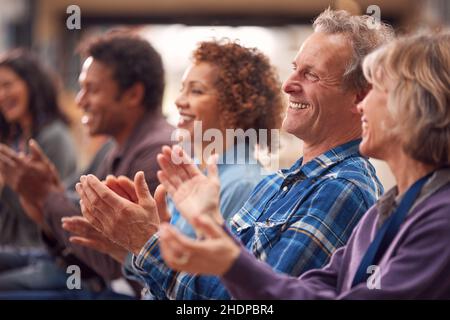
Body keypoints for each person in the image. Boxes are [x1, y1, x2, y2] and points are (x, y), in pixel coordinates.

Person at [76, 9, 390, 300]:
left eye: (311, 75)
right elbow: (213, 280)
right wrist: (141, 243)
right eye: (295, 69)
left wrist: (145, 243)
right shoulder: (277, 182)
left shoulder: (342, 187)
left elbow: (246, 303)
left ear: (359, 97)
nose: (289, 85)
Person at [158, 31, 450, 300]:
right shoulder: (385, 210)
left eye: (377, 90)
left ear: (418, 106)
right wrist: (214, 231)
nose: (363, 104)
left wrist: (149, 246)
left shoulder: (434, 217)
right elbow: (312, 289)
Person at [63, 39, 284, 267]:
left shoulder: (242, 184)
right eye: (182, 89)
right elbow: (169, 272)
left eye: (196, 91)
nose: (179, 101)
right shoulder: (193, 169)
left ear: (237, 107)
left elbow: (206, 287)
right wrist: (124, 249)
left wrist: (142, 244)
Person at [0, 31, 174, 298]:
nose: (80, 100)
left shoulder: (156, 154)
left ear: (133, 95)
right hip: (76, 268)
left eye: (91, 89)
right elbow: (74, 212)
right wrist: (43, 201)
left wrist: (45, 196)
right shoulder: (114, 146)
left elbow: (115, 266)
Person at [0, 49, 76, 248]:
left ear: (32, 85)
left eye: (7, 85)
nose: (1, 95)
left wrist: (5, 180)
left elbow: (49, 208)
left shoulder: (54, 137)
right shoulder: (16, 138)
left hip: (42, 252)